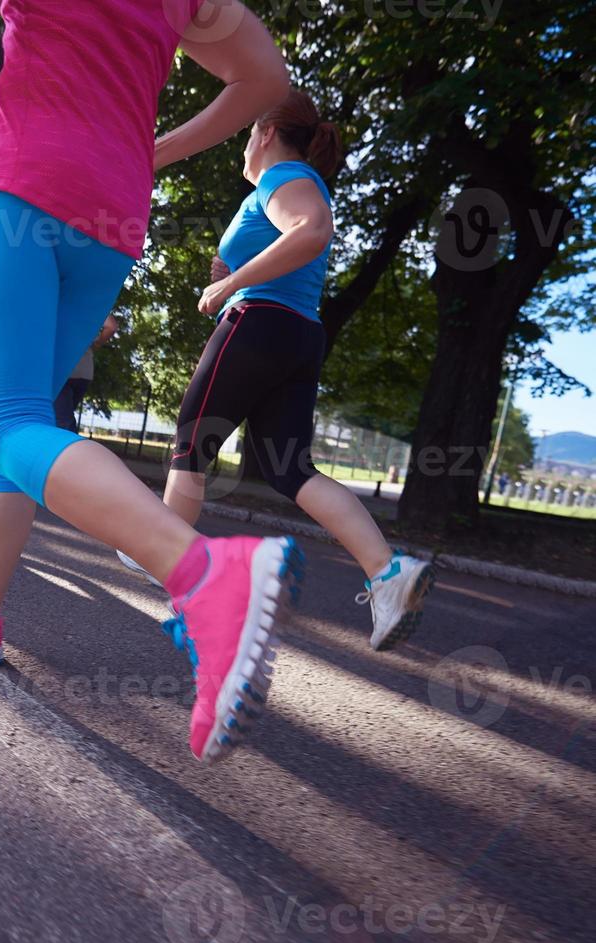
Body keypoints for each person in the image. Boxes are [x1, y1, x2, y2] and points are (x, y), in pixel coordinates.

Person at [0, 0, 300, 764]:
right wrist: (147, 148)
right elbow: (264, 78)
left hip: (24, 175)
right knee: (27, 424)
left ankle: (202, 572)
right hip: (112, 205)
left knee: (6, 421)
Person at [117, 89, 434, 652]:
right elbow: (290, 247)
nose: (244, 143)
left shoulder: (283, 176)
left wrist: (232, 283)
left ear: (263, 132)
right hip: (297, 335)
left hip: (259, 322)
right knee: (288, 469)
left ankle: (169, 559)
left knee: (192, 443)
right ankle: (388, 574)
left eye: (246, 132)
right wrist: (232, 265)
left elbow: (311, 231)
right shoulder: (283, 187)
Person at [54, 314, 119, 432]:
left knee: (61, 423)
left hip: (60, 370)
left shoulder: (57, 301)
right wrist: (97, 343)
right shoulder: (91, 303)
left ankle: (72, 449)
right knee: (61, 418)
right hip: (85, 370)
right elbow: (111, 326)